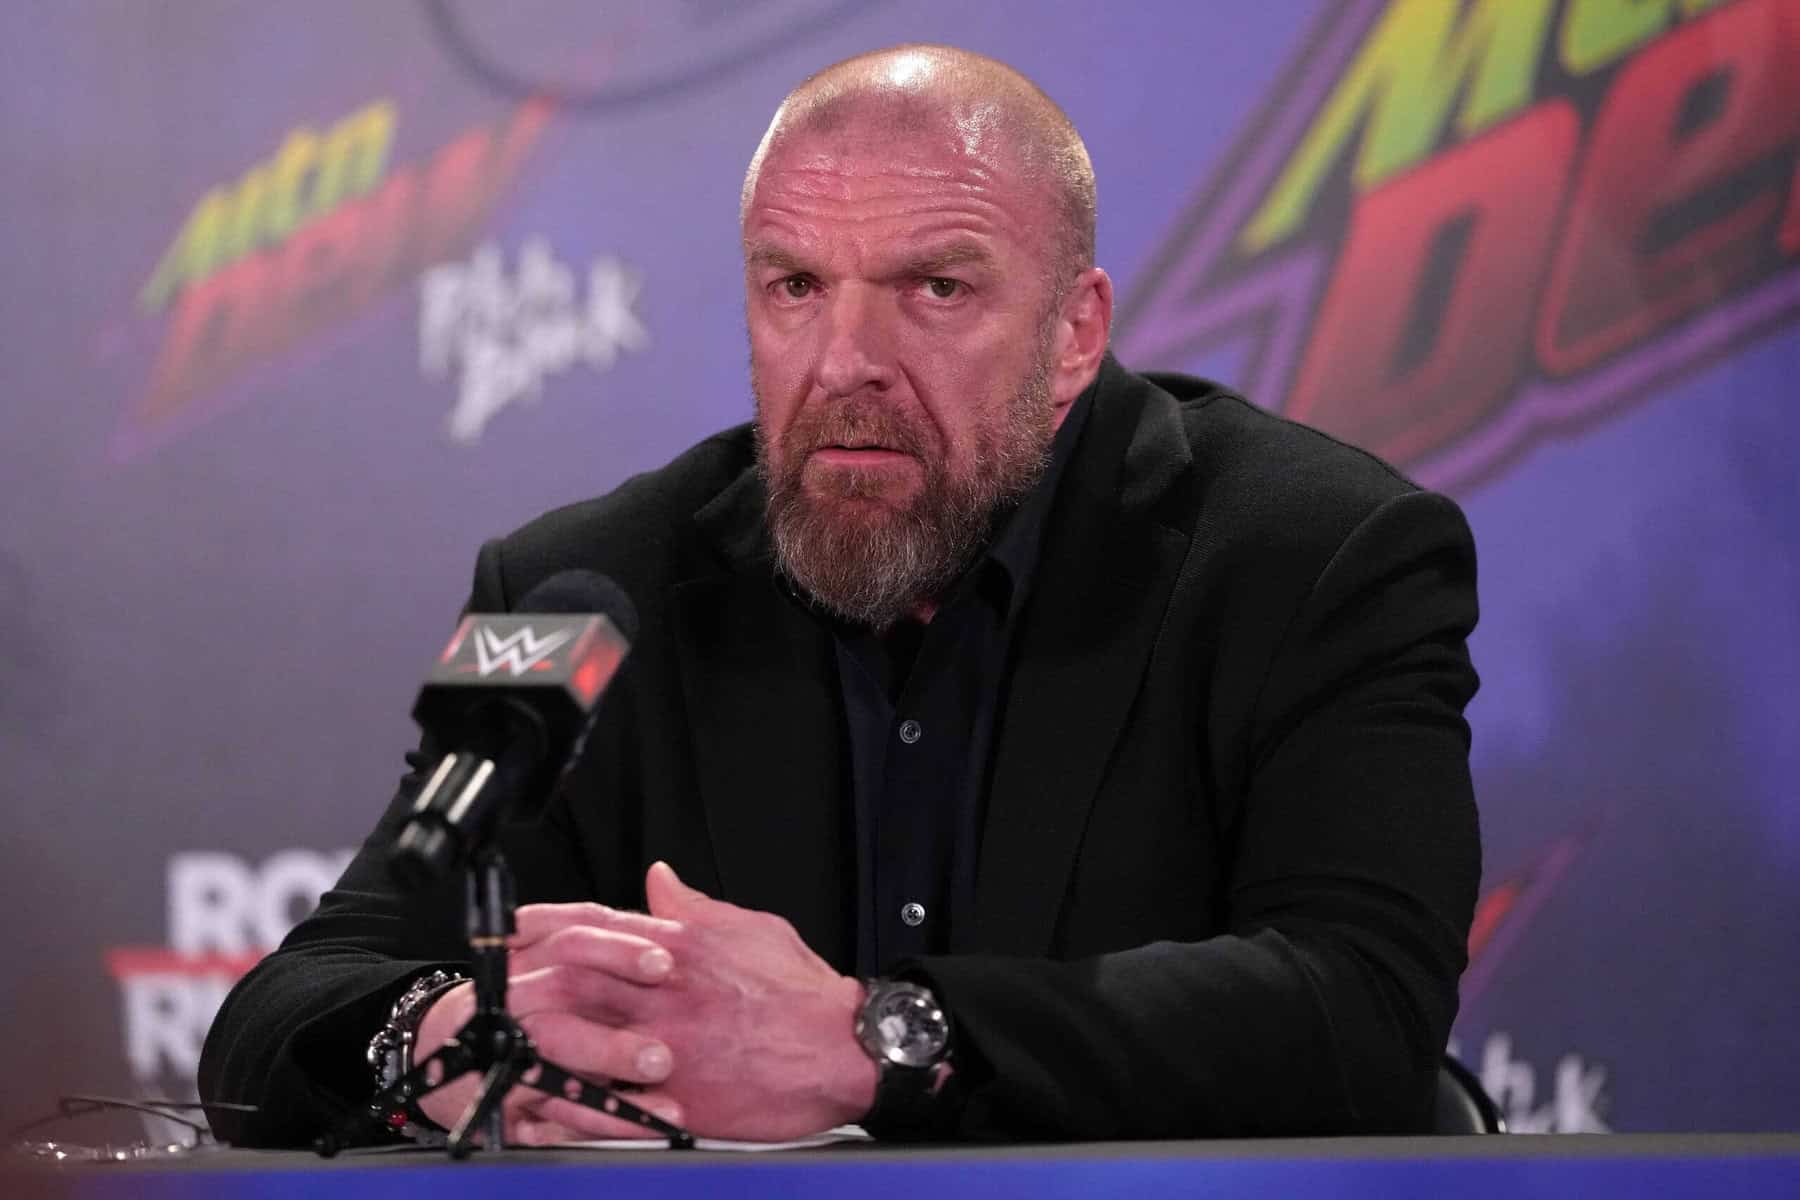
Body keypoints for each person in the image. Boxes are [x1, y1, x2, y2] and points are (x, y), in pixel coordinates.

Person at [199, 44, 1480, 1146]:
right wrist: (442, 1039)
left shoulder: (1323, 554)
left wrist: (879, 1038)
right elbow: (286, 1005)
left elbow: (1365, 1012)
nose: (845, 364)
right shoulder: (565, 592)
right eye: (796, 288)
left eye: (937, 289)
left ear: (1074, 335)